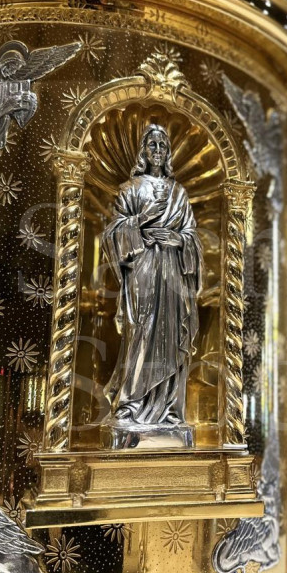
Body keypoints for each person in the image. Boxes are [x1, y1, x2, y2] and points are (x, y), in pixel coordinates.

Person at [102, 124, 203, 432]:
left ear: (167, 152)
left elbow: (192, 236)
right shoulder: (130, 188)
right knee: (141, 333)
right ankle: (130, 405)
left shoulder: (179, 193)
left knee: (171, 336)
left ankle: (170, 409)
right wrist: (143, 221)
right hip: (142, 271)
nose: (157, 150)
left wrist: (178, 240)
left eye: (162, 145)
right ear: (143, 151)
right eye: (152, 145)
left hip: (173, 272)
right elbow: (112, 235)